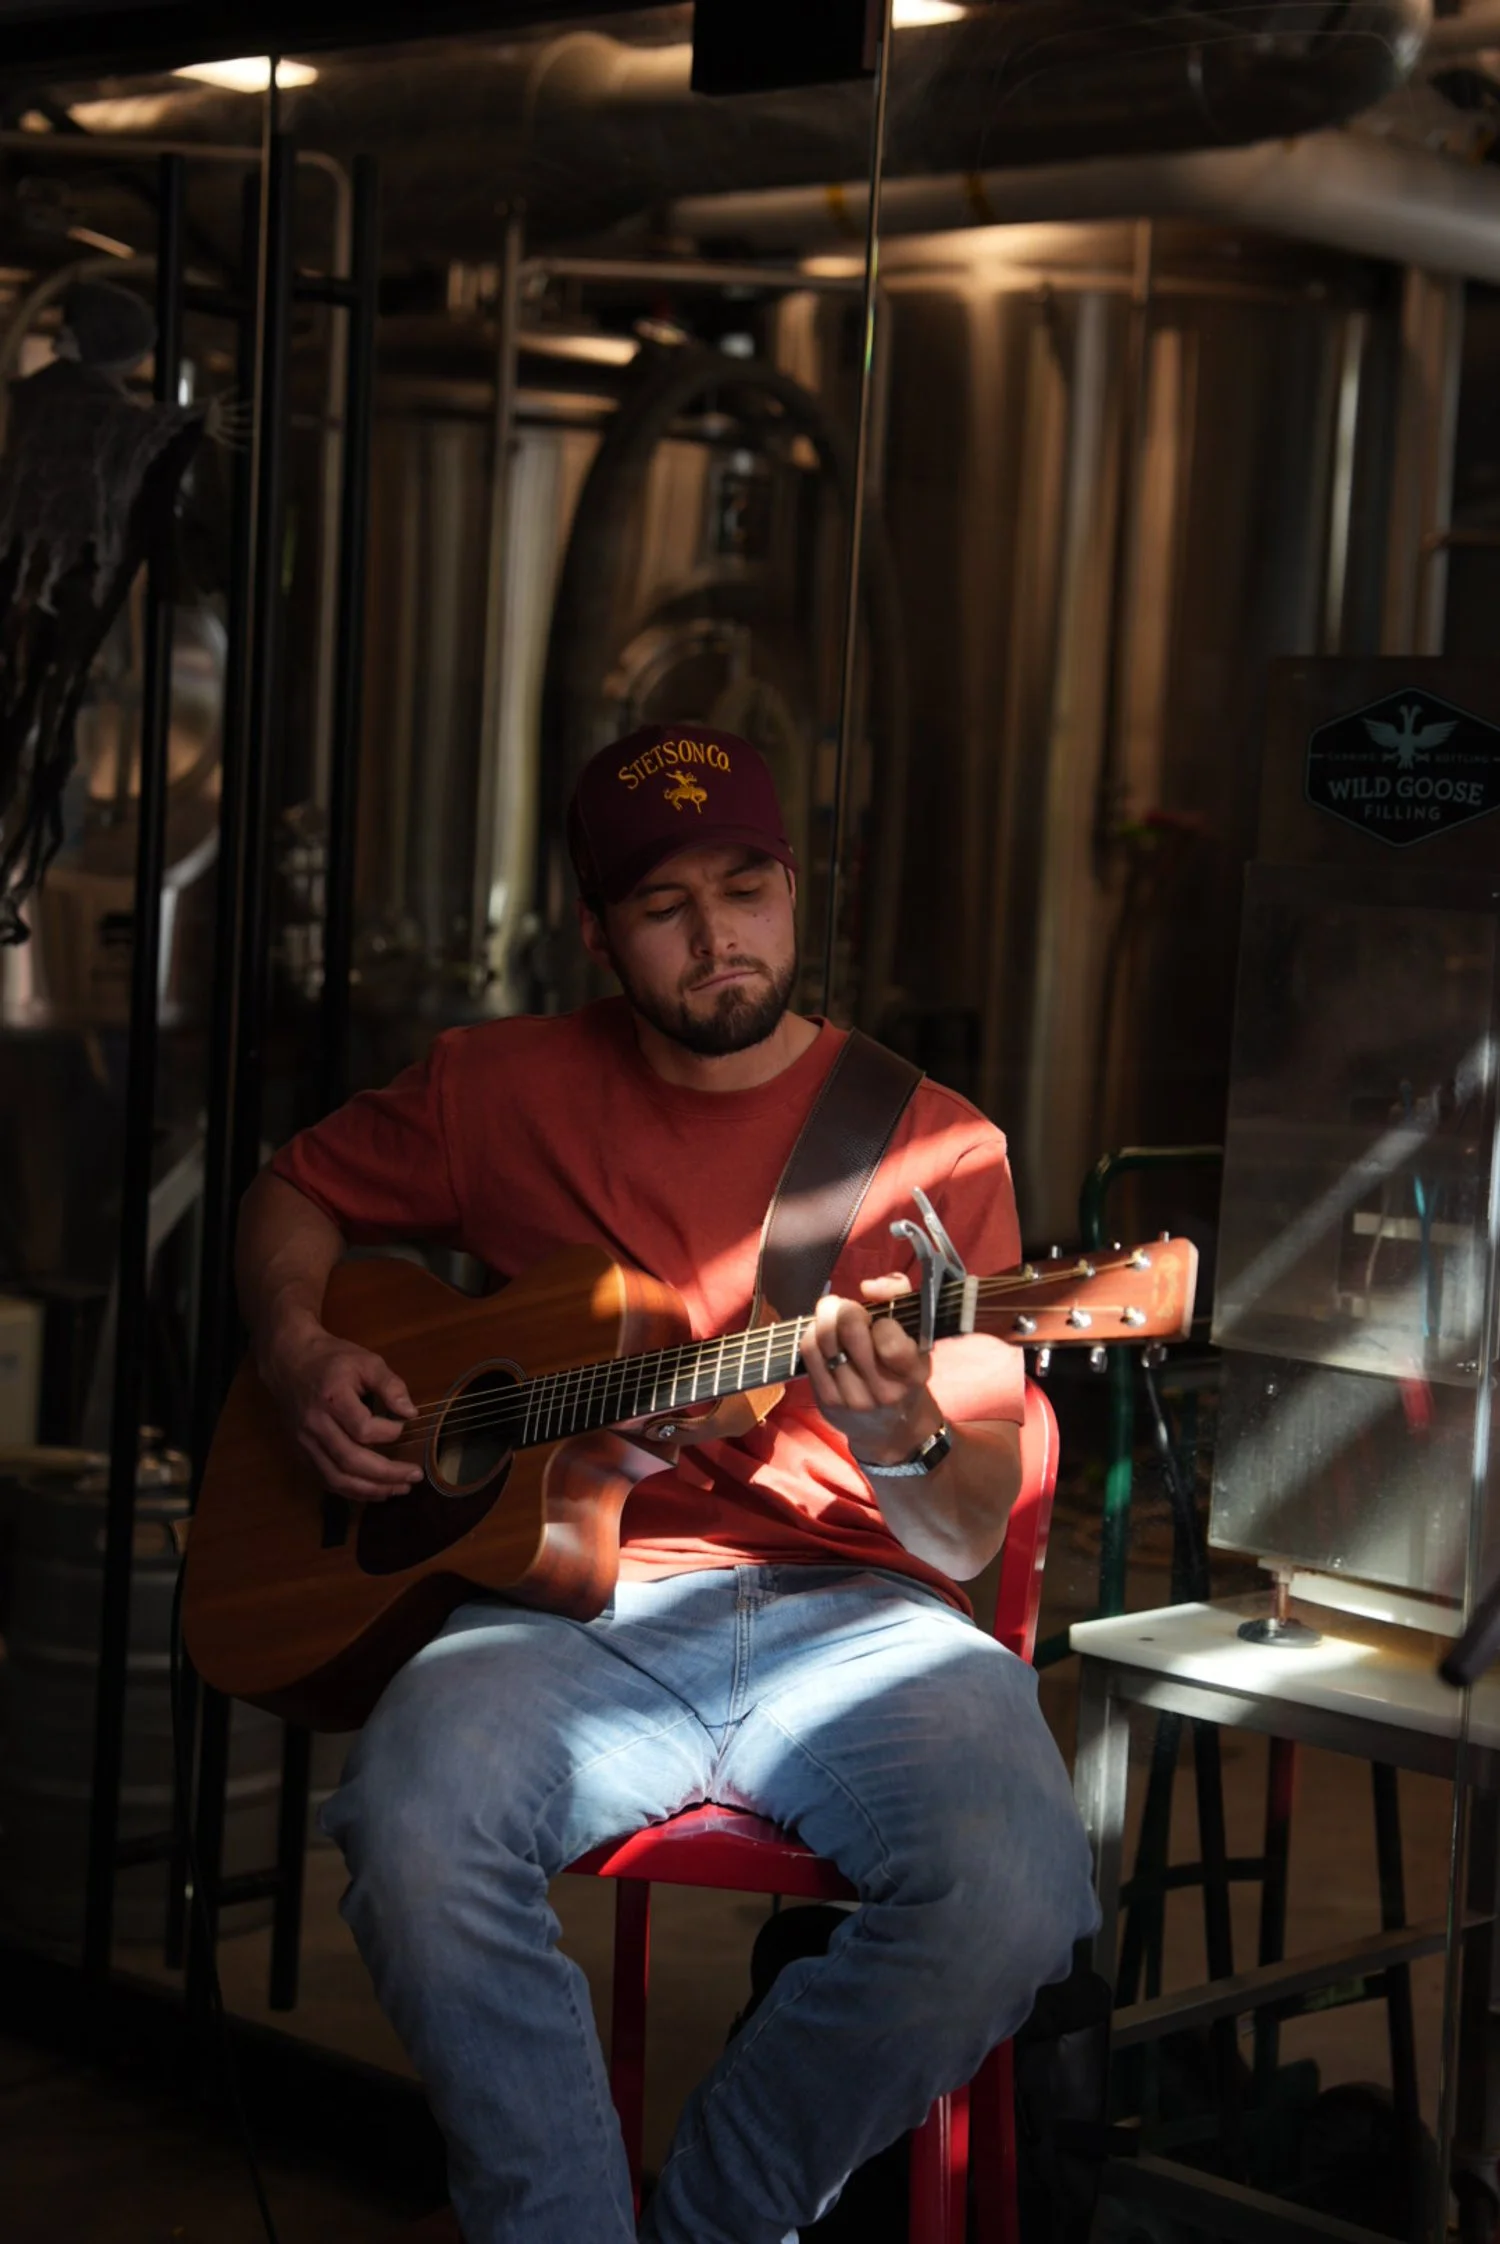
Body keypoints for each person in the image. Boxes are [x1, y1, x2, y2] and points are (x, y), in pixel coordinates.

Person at [236, 722, 1098, 2244]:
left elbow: (968, 1535)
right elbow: (290, 1192)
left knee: (1019, 1892)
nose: (719, 941)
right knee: (411, 1826)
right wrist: (306, 1350)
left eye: (748, 888)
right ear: (595, 931)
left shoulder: (931, 1147)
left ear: (795, 889)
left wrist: (897, 1437)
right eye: (665, 908)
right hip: (577, 1608)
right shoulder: (496, 1090)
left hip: (867, 1615)